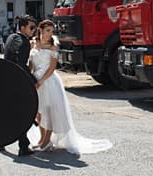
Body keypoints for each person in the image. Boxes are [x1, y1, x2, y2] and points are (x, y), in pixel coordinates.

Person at [27, 19, 111, 155]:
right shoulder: (33, 44)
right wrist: (30, 78)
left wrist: (41, 81)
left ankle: (46, 140)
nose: (50, 34)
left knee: (49, 111)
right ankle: (42, 138)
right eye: (47, 30)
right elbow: (30, 64)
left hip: (48, 81)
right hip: (35, 80)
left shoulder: (53, 46)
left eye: (51, 31)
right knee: (38, 112)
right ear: (40, 30)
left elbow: (52, 67)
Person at [1, 15, 37, 156]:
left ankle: (1, 141)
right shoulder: (24, 42)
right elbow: (20, 64)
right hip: (18, 81)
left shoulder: (11, 37)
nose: (33, 30)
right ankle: (23, 146)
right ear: (23, 28)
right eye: (31, 28)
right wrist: (32, 80)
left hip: (7, 79)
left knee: (9, 113)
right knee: (22, 114)